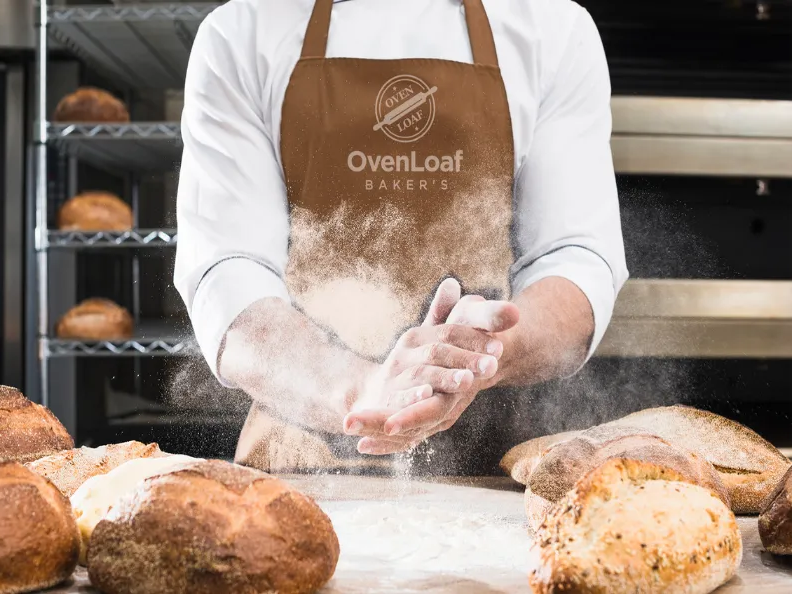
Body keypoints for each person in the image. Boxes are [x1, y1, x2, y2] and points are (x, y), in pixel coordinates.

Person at [174, 0, 628, 476]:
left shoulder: (551, 28)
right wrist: (356, 388)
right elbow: (229, 273)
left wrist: (476, 353)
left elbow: (575, 260)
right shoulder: (242, 34)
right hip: (299, 453)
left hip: (499, 459)